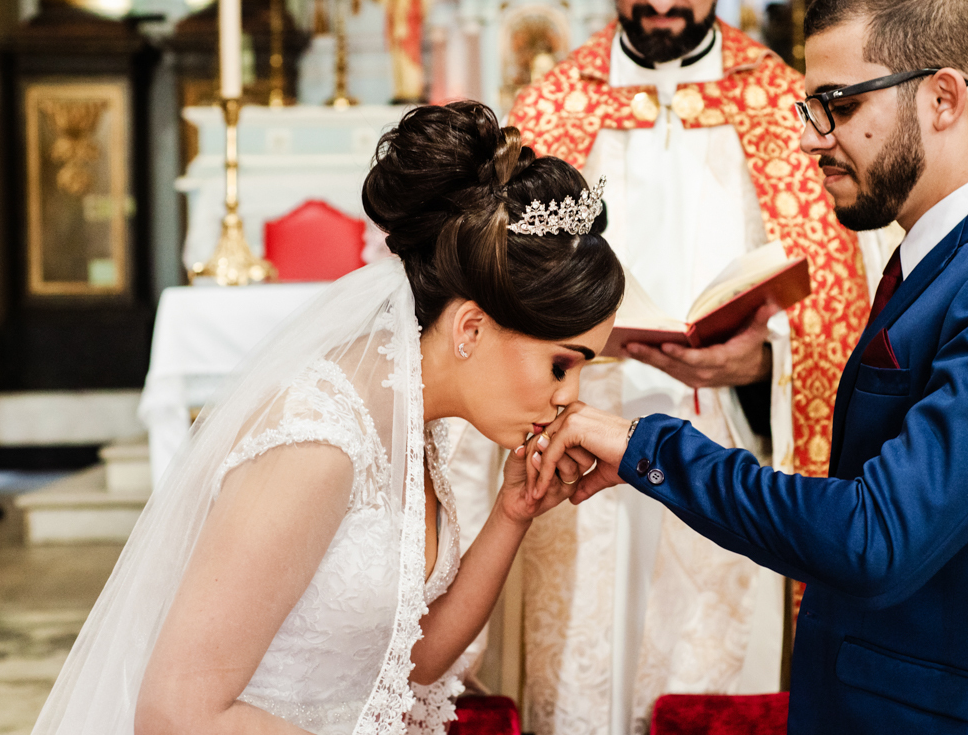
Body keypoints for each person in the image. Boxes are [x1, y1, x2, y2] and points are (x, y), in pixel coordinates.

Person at [530, 0, 968, 734]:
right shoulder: (953, 261)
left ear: (943, 97)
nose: (810, 139)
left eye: (835, 103)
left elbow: (877, 537)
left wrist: (648, 449)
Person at [31, 101, 625, 735]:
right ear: (471, 327)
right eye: (563, 365)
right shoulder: (317, 443)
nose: (572, 397)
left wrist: (513, 512)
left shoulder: (410, 413)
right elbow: (176, 713)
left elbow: (410, 664)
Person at [446, 0, 877, 731]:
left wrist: (761, 361)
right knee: (580, 680)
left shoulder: (785, 106)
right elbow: (483, 294)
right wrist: (578, 339)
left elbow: (846, 300)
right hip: (572, 441)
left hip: (728, 446)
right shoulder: (551, 106)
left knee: (707, 681)